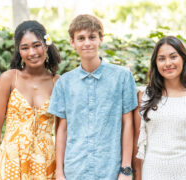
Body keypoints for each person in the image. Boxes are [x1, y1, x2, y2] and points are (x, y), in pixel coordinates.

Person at [47, 14, 138, 180]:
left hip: (110, 170)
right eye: (81, 38)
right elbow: (62, 130)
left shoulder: (122, 77)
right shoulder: (64, 83)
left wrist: (126, 169)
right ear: (72, 42)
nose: (87, 43)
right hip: (75, 170)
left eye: (92, 37)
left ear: (101, 39)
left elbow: (128, 123)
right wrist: (59, 172)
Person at [0, 20, 61, 180]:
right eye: (25, 48)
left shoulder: (58, 83)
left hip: (46, 163)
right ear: (19, 51)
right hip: (11, 162)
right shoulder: (9, 79)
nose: (32, 52)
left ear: (46, 45)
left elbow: (61, 131)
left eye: (36, 45)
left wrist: (60, 170)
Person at [132, 36, 186, 180]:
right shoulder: (144, 96)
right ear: (155, 63)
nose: (168, 63)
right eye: (161, 59)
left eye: (173, 57)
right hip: (152, 173)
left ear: (183, 59)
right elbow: (136, 144)